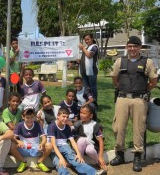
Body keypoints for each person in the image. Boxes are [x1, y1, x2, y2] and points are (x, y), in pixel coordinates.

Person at [110, 36, 158, 172]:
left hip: (139, 100)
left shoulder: (147, 62)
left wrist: (143, 91)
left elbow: (153, 82)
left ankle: (137, 156)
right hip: (122, 98)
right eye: (130, 46)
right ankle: (120, 154)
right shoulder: (120, 61)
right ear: (127, 47)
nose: (132, 49)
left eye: (135, 46)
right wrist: (122, 89)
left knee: (139, 128)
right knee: (118, 127)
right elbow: (115, 79)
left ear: (139, 48)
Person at [47, 107, 106, 175]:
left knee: (76, 159)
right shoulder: (52, 126)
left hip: (64, 146)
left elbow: (72, 141)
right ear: (57, 116)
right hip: (53, 149)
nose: (65, 119)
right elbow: (53, 145)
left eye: (67, 117)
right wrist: (61, 158)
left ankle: (93, 173)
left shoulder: (67, 127)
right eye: (63, 116)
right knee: (59, 163)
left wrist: (78, 154)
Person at [10, 106, 52, 173]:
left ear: (34, 117)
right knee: (12, 145)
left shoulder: (37, 125)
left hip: (36, 149)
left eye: (32, 117)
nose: (30, 120)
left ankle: (40, 162)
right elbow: (13, 138)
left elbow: (44, 138)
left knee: (49, 145)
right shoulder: (19, 125)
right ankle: (23, 162)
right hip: (24, 149)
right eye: (27, 117)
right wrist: (18, 141)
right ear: (23, 117)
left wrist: (42, 143)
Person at [72, 105, 107, 171]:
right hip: (80, 148)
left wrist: (100, 157)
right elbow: (71, 136)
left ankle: (99, 163)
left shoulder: (96, 125)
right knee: (82, 140)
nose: (81, 115)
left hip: (91, 146)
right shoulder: (77, 124)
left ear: (91, 115)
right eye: (81, 112)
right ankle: (80, 163)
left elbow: (101, 141)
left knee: (89, 150)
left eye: (84, 113)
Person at [77, 33, 98, 106]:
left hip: (91, 72)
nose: (87, 41)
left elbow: (89, 55)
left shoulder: (94, 47)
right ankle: (88, 102)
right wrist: (79, 61)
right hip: (84, 71)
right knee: (86, 88)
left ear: (92, 38)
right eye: (85, 40)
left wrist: (83, 48)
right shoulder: (87, 48)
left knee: (92, 88)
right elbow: (85, 58)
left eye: (88, 39)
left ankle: (94, 103)